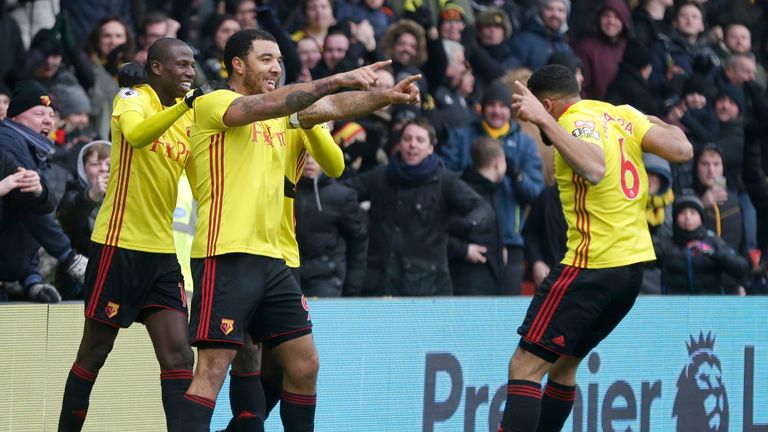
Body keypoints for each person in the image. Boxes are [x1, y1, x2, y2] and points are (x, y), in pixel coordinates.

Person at [180, 28, 419, 431]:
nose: (276, 67)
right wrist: (338, 77)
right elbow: (282, 102)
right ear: (238, 65)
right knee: (212, 369)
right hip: (226, 253)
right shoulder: (214, 104)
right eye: (265, 59)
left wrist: (385, 96)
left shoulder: (284, 117)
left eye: (278, 59)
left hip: (274, 260)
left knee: (305, 364)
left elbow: (332, 107)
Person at [497, 64, 693, 432]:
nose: (536, 125)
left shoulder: (572, 122)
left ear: (548, 105)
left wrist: (547, 121)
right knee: (563, 364)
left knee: (524, 366)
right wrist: (648, 120)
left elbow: (593, 167)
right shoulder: (620, 115)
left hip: (592, 265)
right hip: (630, 270)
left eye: (536, 114)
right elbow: (682, 148)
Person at [56, 38, 217, 432]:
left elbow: (203, 186)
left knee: (179, 357)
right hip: (117, 245)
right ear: (157, 68)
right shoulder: (132, 98)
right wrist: (184, 106)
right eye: (181, 65)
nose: (189, 72)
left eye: (192, 64)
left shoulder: (188, 122)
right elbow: (138, 134)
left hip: (162, 257)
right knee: (94, 353)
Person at [344, 117, 492, 296]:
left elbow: (481, 208)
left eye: (420, 140)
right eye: (407, 139)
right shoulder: (380, 176)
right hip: (380, 286)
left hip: (428, 288)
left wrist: (468, 225)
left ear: (431, 148)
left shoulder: (445, 181)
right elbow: (343, 194)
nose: (412, 145)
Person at [442, 80, 544, 294]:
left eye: (502, 106)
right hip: (469, 242)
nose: (497, 111)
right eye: (492, 105)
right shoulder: (462, 137)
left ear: (510, 110)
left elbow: (535, 193)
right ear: (482, 107)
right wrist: (474, 174)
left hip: (510, 240)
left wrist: (517, 176)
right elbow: (444, 182)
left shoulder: (524, 143)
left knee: (506, 309)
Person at [0, 80, 87, 304]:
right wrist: (68, 257)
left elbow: (41, 205)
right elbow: (30, 210)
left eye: (51, 114)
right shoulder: (8, 143)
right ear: (15, 117)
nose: (48, 120)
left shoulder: (34, 148)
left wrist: (32, 279)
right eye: (39, 114)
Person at [653, 193, 750, 294]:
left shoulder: (713, 242)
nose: (687, 217)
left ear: (701, 218)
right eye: (682, 213)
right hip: (674, 306)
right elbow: (644, 262)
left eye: (693, 212)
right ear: (675, 218)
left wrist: (713, 254)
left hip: (710, 306)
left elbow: (742, 269)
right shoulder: (666, 244)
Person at [447, 137, 508, 295]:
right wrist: (464, 250)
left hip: (490, 282)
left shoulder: (492, 191)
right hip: (468, 285)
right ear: (498, 162)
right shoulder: (463, 194)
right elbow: (438, 231)